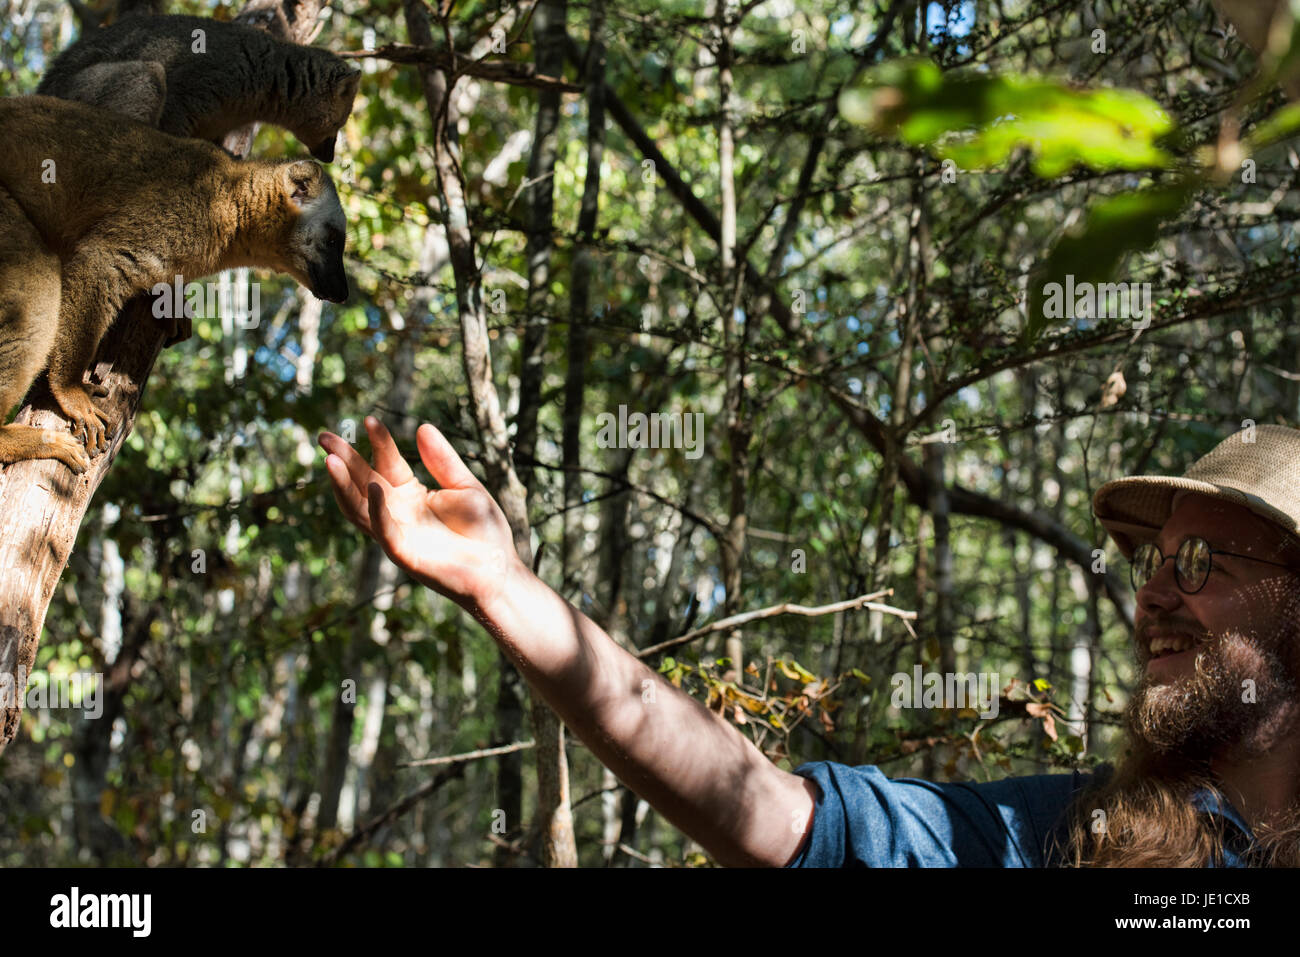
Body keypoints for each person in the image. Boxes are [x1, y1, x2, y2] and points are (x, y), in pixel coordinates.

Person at [317, 419, 1300, 867]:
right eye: (1149, 564)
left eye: (1202, 561)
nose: (1155, 598)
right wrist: (506, 589)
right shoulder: (1073, 839)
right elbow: (784, 817)